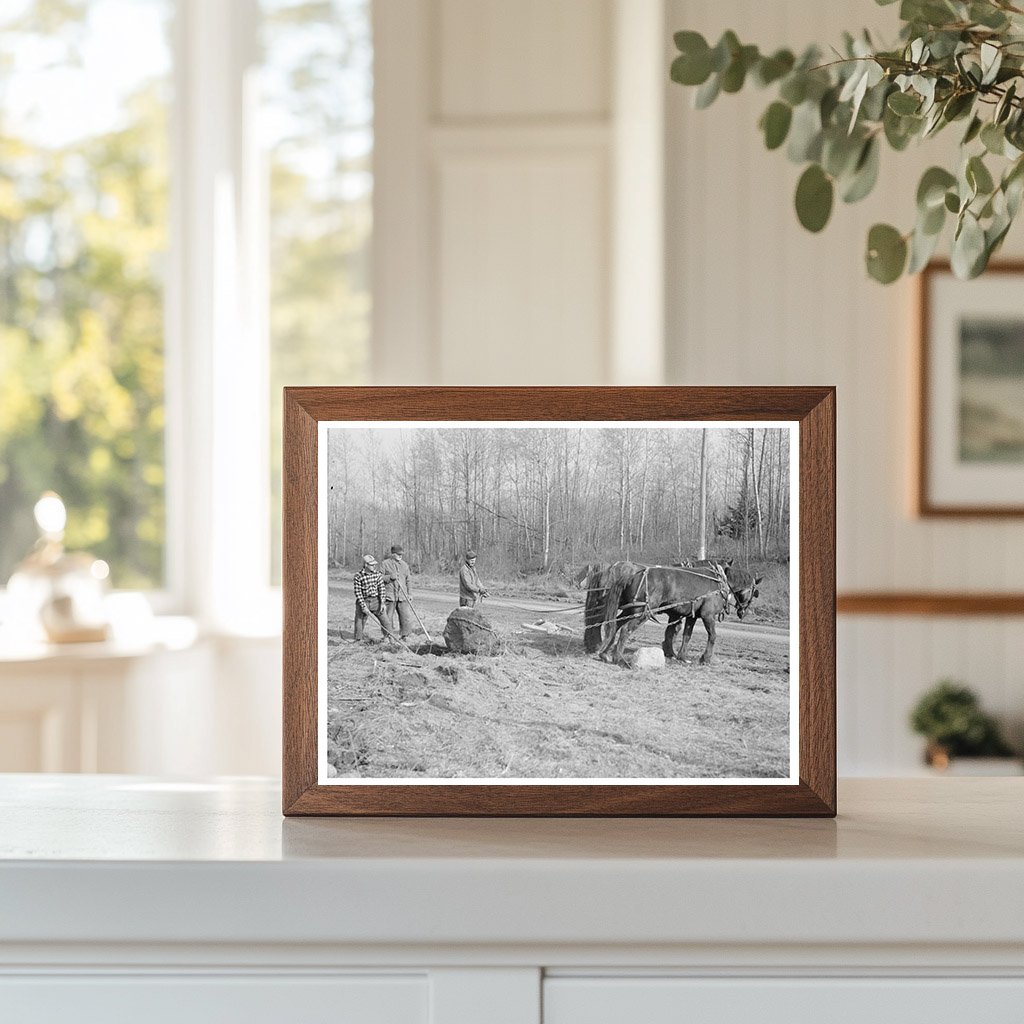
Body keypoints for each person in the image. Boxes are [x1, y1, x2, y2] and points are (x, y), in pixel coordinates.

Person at [352, 554, 390, 641]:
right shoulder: (358, 576)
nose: (374, 566)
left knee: (385, 620)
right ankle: (358, 640)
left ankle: (389, 638)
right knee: (360, 620)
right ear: (366, 565)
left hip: (376, 600)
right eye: (372, 564)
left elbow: (382, 589)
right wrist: (363, 606)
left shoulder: (377, 575)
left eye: (374, 564)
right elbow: (358, 593)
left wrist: (382, 603)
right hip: (364, 600)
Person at [381, 544, 414, 638]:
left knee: (405, 617)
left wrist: (410, 594)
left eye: (401, 554)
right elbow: (378, 578)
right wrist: (389, 577)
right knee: (388, 617)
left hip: (402, 596)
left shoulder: (404, 565)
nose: (400, 556)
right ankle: (387, 636)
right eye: (398, 554)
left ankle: (405, 636)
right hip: (389, 596)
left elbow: (408, 580)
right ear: (392, 554)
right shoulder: (385, 564)